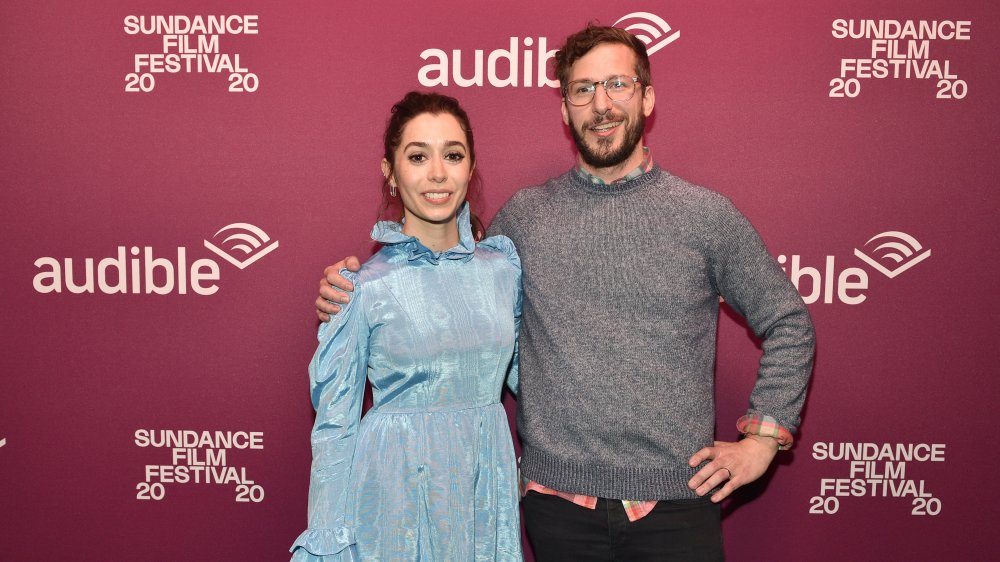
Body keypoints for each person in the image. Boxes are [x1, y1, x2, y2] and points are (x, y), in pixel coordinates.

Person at [317, 26, 815, 561]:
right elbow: (444, 275)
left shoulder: (705, 216)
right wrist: (350, 289)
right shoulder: (523, 222)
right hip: (556, 509)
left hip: (678, 503)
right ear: (564, 109)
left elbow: (789, 322)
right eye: (582, 90)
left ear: (647, 97)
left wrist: (763, 441)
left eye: (618, 85)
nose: (601, 105)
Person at [291, 91, 523, 561]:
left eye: (452, 155)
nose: (437, 173)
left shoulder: (504, 270)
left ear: (470, 168)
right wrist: (329, 540)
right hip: (392, 499)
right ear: (391, 173)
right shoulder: (362, 287)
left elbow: (537, 379)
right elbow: (335, 428)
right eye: (418, 156)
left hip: (482, 489)